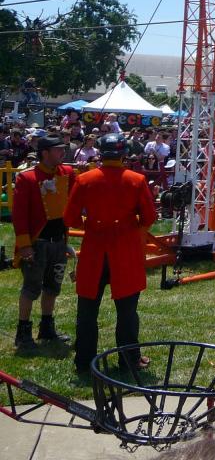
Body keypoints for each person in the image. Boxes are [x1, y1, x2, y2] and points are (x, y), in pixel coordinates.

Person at [64, 133, 157, 374]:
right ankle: (129, 359)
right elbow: (149, 217)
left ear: (101, 154)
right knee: (127, 311)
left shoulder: (84, 179)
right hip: (124, 250)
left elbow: (70, 217)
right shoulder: (136, 180)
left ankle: (84, 362)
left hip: (94, 249)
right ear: (124, 154)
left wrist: (91, 224)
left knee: (87, 310)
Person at [12, 135, 77, 350]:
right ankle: (23, 331)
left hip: (58, 241)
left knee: (53, 287)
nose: (62, 153)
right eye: (58, 150)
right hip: (37, 242)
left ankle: (47, 327)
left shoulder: (67, 173)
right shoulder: (27, 178)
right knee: (31, 288)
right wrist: (24, 245)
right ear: (45, 153)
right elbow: (19, 215)